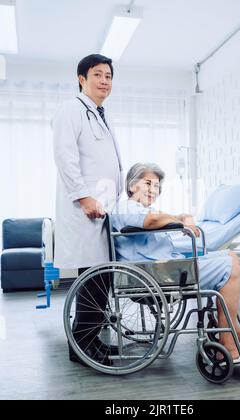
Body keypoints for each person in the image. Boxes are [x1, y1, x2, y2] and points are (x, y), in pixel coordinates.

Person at [112, 163, 240, 362]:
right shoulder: (126, 206)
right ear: (132, 186)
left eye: (157, 186)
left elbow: (154, 217)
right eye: (148, 184)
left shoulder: (137, 208)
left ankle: (234, 332)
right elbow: (151, 222)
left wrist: (182, 217)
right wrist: (180, 222)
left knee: (230, 257)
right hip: (156, 274)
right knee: (230, 267)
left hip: (161, 269)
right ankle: (230, 344)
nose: (154, 190)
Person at [53, 54, 123, 365]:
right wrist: (84, 198)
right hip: (86, 211)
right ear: (82, 78)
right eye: (98, 75)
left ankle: (91, 339)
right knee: (91, 280)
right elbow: (65, 157)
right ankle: (81, 348)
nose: (105, 81)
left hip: (103, 211)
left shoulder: (99, 114)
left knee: (101, 279)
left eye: (108, 75)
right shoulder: (71, 109)